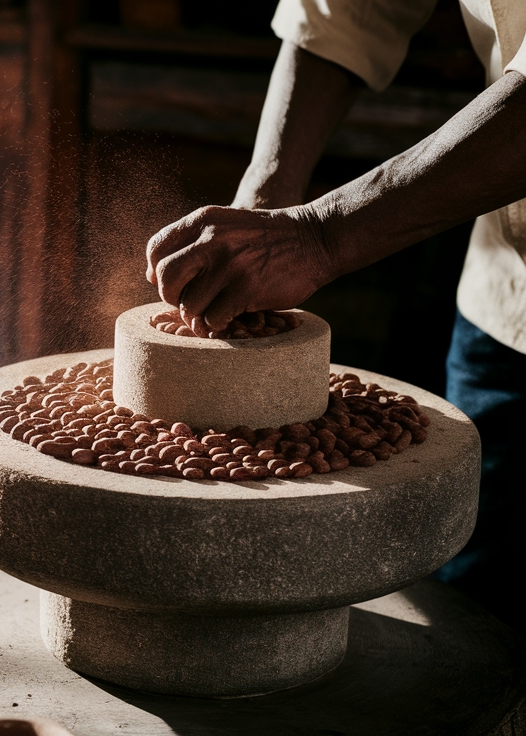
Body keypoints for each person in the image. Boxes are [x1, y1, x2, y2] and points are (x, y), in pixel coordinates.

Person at [145, 0, 526, 629]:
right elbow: (346, 11)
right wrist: (267, 193)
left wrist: (317, 236)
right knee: (469, 614)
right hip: (505, 295)